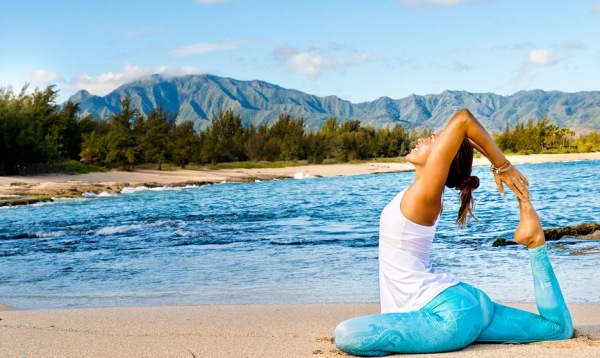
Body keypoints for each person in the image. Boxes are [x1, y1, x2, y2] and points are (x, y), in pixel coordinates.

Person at [334, 109, 573, 356]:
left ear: (444, 157)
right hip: (469, 302)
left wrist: (503, 166)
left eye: (433, 140)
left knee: (347, 335)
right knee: (557, 329)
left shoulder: (425, 195)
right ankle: (535, 242)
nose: (422, 140)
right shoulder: (420, 192)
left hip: (446, 316)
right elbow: (466, 137)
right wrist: (482, 154)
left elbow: (463, 119)